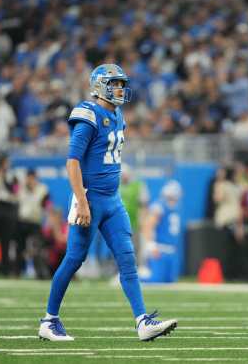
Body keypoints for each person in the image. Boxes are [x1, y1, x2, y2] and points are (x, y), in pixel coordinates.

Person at [39, 64, 177, 342]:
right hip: (89, 197)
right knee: (74, 259)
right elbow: (73, 161)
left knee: (127, 259)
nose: (120, 89)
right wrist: (81, 201)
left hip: (112, 200)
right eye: (115, 84)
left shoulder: (117, 115)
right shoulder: (88, 114)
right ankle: (49, 320)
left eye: (122, 84)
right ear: (100, 85)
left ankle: (142, 322)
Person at [141, 180, 182, 283]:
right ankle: (129, 277)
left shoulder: (174, 208)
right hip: (160, 249)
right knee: (155, 280)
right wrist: (151, 245)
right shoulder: (159, 206)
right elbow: (147, 226)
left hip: (171, 250)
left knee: (170, 281)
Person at [17, 169, 50, 276]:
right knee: (20, 247)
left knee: (37, 248)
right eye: (29, 178)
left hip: (35, 222)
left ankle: (39, 272)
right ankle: (18, 271)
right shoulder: (21, 189)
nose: (30, 180)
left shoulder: (42, 189)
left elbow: (46, 205)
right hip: (22, 222)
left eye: (32, 178)